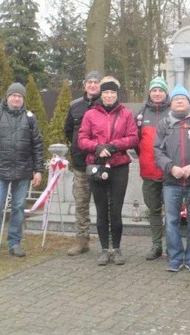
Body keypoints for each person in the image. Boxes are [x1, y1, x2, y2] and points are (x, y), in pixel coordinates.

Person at [0, 82, 44, 262]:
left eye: (20, 96)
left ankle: (14, 243)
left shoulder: (30, 118)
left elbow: (38, 145)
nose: (16, 98)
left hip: (23, 172)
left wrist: (38, 170)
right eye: (13, 95)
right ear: (7, 97)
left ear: (23, 99)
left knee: (18, 209)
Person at [77, 77, 139, 265]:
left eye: (112, 93)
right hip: (97, 165)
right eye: (106, 93)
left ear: (117, 94)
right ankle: (105, 249)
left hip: (119, 166)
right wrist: (97, 147)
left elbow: (133, 137)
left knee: (116, 210)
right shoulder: (90, 114)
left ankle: (117, 249)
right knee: (101, 209)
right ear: (101, 95)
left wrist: (113, 145)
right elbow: (82, 138)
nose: (109, 96)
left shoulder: (126, 114)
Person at [154, 85, 190, 272]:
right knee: (172, 221)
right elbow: (157, 150)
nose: (180, 102)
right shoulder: (164, 124)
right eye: (176, 99)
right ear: (171, 103)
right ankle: (175, 258)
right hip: (171, 182)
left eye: (183, 98)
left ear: (189, 102)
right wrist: (170, 167)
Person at [64, 71, 102, 256]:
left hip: (101, 164)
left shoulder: (106, 104)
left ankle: (107, 242)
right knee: (81, 203)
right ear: (84, 84)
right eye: (90, 82)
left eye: (96, 82)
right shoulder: (75, 106)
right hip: (80, 164)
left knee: (104, 204)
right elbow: (68, 130)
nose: (93, 85)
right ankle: (82, 240)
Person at [136, 76, 171, 260]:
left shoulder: (174, 112)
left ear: (166, 93)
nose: (157, 93)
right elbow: (136, 142)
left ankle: (172, 247)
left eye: (161, 90)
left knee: (172, 212)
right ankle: (156, 245)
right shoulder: (141, 114)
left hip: (169, 173)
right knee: (154, 211)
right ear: (150, 92)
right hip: (149, 172)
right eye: (154, 90)